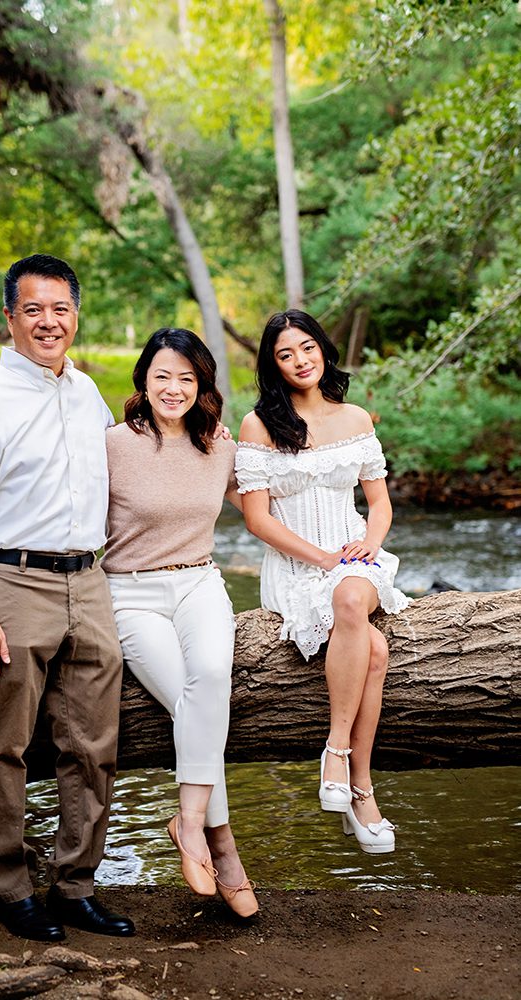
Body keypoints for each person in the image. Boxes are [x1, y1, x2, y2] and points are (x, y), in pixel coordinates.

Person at [0, 253, 134, 941]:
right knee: (7, 746)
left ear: (75, 315)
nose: (48, 322)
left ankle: (76, 886)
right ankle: (6, 885)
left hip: (90, 581)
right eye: (34, 310)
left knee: (93, 744)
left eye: (60, 309)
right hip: (13, 583)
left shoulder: (87, 396)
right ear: (11, 317)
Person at [236, 310, 410, 855]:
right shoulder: (259, 425)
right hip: (295, 564)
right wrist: (322, 559)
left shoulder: (356, 418)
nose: (299, 361)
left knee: (353, 595)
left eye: (307, 348)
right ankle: (359, 787)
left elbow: (379, 506)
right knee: (374, 653)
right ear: (273, 365)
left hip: (354, 554)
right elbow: (257, 519)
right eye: (285, 355)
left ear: (322, 350)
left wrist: (369, 547)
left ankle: (340, 759)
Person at [102, 328, 258, 918]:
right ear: (144, 379)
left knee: (213, 675)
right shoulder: (112, 444)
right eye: (163, 375)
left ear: (203, 386)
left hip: (198, 582)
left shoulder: (219, 447)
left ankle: (189, 824)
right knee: (192, 703)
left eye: (187, 379)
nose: (174, 388)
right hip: (130, 595)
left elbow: (268, 507)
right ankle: (224, 847)